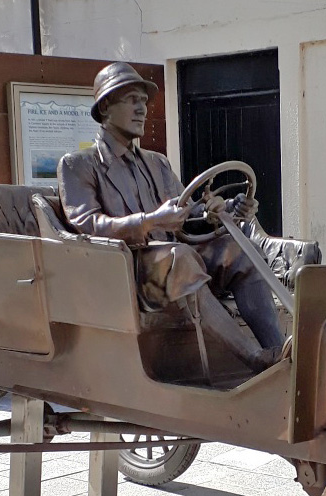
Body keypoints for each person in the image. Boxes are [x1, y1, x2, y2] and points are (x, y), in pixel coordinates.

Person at [58, 62, 284, 373]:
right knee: (180, 258)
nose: (142, 109)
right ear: (106, 106)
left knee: (238, 250)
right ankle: (253, 359)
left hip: (173, 260)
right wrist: (149, 222)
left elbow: (186, 210)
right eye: (132, 100)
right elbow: (87, 225)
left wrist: (224, 210)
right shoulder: (78, 165)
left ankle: (279, 352)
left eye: (144, 101)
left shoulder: (156, 163)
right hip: (127, 272)